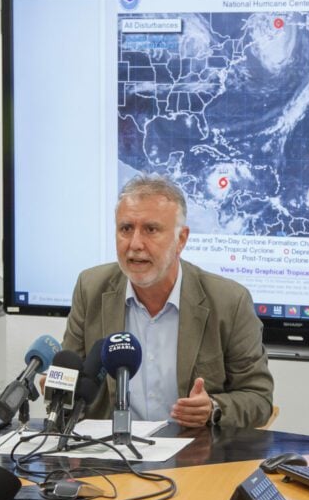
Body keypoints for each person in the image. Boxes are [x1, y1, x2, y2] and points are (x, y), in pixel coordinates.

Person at [63, 174, 273, 428]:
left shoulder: (229, 301)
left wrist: (213, 409)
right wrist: (59, 387)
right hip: (110, 454)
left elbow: (259, 398)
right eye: (126, 229)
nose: (135, 244)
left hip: (195, 458)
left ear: (181, 239)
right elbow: (72, 374)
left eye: (151, 230)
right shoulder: (90, 288)